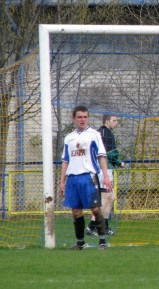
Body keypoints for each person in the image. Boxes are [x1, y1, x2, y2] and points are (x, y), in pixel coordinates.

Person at [60, 105, 113, 250]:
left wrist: (106, 177)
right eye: (79, 117)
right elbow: (65, 161)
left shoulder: (94, 135)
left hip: (89, 177)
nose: (82, 120)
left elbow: (101, 156)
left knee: (95, 209)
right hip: (73, 179)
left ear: (88, 118)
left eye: (85, 117)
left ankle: (102, 241)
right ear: (74, 119)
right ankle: (80, 242)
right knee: (76, 211)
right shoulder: (69, 138)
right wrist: (62, 182)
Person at [86, 114, 123, 237]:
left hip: (101, 169)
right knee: (105, 198)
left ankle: (103, 226)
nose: (116, 123)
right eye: (114, 120)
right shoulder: (107, 134)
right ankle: (93, 226)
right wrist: (119, 163)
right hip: (104, 170)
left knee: (110, 198)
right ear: (107, 121)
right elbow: (111, 153)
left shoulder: (97, 133)